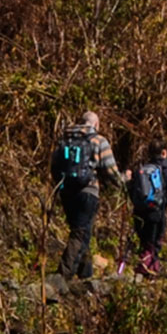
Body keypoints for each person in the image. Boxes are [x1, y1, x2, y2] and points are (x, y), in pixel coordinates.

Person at [49, 110, 125, 281]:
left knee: (82, 230)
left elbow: (54, 166)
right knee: (80, 233)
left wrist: (60, 185)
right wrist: (124, 180)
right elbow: (111, 172)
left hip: (66, 192)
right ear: (96, 125)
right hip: (88, 191)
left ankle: (85, 272)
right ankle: (63, 274)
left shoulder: (65, 140)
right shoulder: (98, 141)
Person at [127, 142, 167, 277]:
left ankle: (152, 269)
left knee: (146, 240)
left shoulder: (143, 168)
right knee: (154, 241)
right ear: (164, 152)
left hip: (140, 209)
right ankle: (145, 267)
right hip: (157, 210)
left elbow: (132, 189)